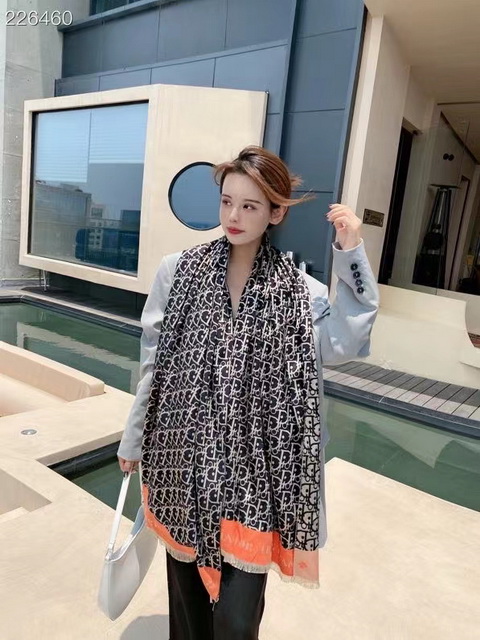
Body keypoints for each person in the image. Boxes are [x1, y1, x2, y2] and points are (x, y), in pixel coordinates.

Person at [117, 146, 380, 639]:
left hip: (257, 475)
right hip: (183, 463)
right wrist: (133, 440)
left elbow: (345, 342)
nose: (233, 217)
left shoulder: (299, 291)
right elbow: (154, 363)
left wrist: (350, 251)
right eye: (227, 202)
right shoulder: (178, 272)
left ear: (275, 213)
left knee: (237, 620)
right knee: (187, 610)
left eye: (250, 206)